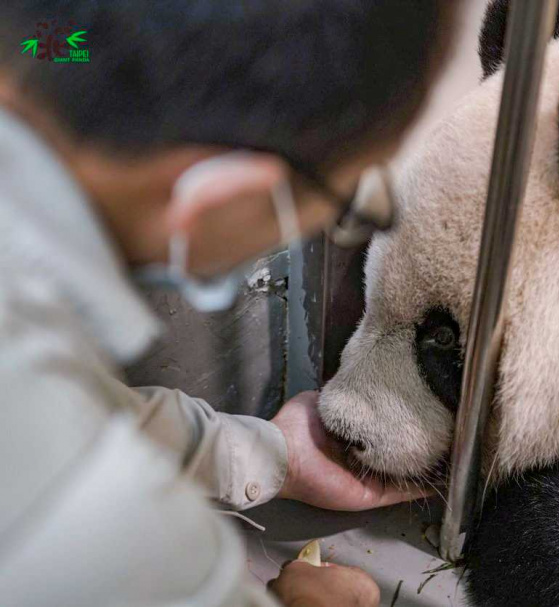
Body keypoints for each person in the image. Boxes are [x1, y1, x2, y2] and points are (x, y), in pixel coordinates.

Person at [0, 2, 459, 606]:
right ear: (213, 196)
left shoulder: (41, 46)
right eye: (346, 195)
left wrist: (270, 455)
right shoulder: (84, 513)